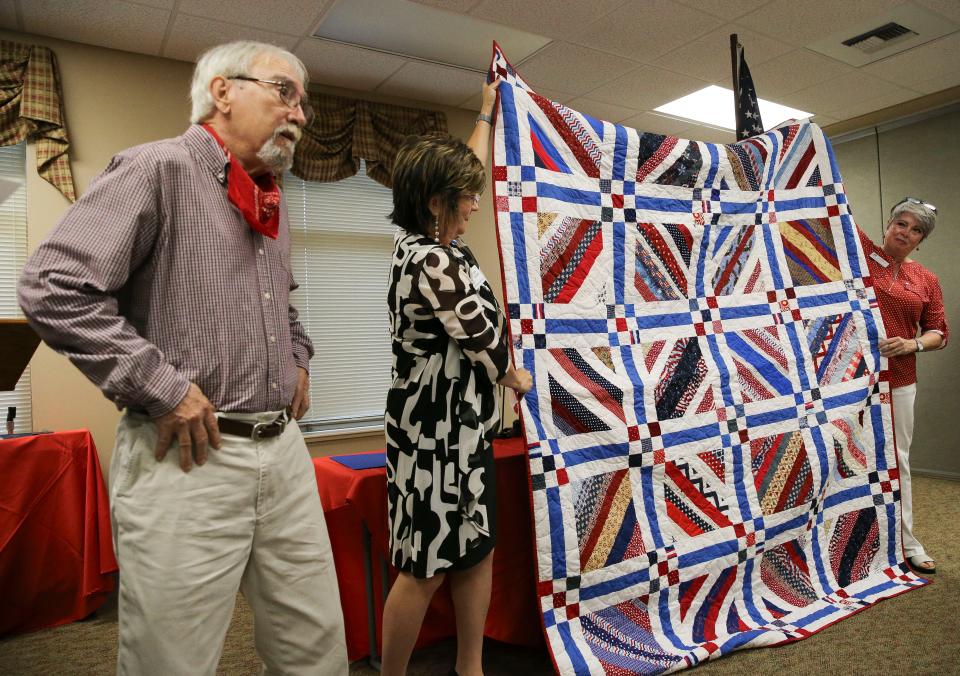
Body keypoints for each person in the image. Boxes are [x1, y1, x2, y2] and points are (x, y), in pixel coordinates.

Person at [18, 41, 347, 674]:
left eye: (302, 102)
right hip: (188, 460)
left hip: (282, 455)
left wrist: (298, 356)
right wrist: (162, 386)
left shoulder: (270, 197)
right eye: (285, 92)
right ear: (223, 92)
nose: (300, 114)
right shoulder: (156, 169)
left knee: (316, 648)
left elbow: (281, 304)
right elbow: (52, 287)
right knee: (170, 659)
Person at [381, 80, 533, 676]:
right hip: (430, 441)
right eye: (466, 196)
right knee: (423, 568)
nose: (475, 203)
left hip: (464, 436)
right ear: (435, 202)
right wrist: (518, 377)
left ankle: (469, 668)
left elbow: (463, 161)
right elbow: (485, 345)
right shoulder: (429, 259)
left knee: (475, 553)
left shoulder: (444, 247)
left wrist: (486, 111)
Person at [858, 197, 948, 575]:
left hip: (899, 380)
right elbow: (828, 212)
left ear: (921, 240)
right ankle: (854, 542)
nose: (906, 233)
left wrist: (912, 343)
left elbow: (939, 332)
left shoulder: (926, 279)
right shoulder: (859, 253)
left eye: (915, 230)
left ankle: (907, 542)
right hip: (850, 379)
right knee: (848, 459)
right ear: (890, 224)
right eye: (902, 224)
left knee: (898, 462)